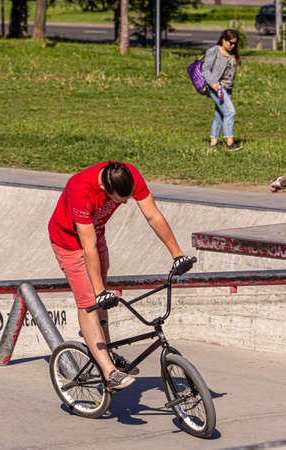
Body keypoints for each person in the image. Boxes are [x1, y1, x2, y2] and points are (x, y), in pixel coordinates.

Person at [48, 161, 193, 391]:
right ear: (106, 189)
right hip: (70, 242)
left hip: (96, 234)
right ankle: (109, 372)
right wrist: (98, 293)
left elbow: (152, 215)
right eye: (120, 199)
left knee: (102, 296)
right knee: (90, 302)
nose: (125, 203)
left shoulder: (129, 173)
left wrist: (178, 255)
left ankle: (107, 351)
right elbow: (88, 248)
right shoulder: (81, 190)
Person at [202, 29, 242, 152]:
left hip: (228, 89)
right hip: (217, 88)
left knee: (219, 114)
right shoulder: (214, 51)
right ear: (223, 40)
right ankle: (230, 142)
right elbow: (205, 69)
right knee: (230, 112)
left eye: (235, 43)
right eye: (231, 43)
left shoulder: (231, 52)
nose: (233, 45)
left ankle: (213, 143)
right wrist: (213, 83)